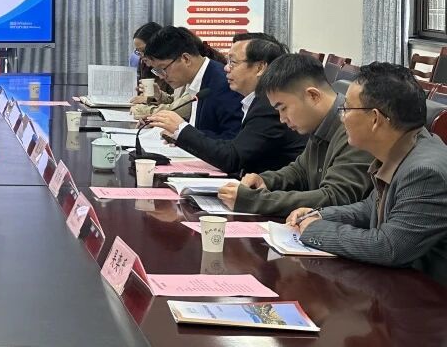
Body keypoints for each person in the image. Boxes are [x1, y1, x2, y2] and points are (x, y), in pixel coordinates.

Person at [290, 63, 447, 285]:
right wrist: (321, 215)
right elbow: (370, 207)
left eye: (346, 109)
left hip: (429, 297)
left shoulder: (424, 172)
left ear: (375, 119)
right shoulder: (405, 145)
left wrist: (316, 230)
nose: (342, 118)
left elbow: (389, 247)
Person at [219, 53, 373, 214]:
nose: (282, 119)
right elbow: (301, 171)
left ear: (313, 95)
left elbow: (336, 197)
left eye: (283, 108)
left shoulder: (354, 127)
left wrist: (254, 201)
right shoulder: (320, 122)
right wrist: (265, 180)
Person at [146, 34, 305, 175]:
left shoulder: (268, 106)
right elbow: (235, 146)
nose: (226, 68)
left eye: (233, 62)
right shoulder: (257, 100)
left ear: (260, 67)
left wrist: (182, 130)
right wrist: (181, 136)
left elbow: (233, 158)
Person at [141, 26, 243, 139]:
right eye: (157, 71)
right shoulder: (198, 78)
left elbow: (232, 139)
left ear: (186, 59)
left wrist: (183, 134)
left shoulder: (223, 84)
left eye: (163, 68)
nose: (161, 76)